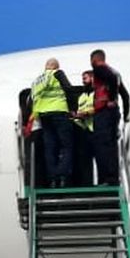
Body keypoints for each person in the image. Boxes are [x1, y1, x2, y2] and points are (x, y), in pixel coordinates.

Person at [89, 49, 130, 187]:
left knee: (100, 146)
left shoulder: (100, 69)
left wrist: (111, 98)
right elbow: (125, 96)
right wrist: (125, 114)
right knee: (111, 146)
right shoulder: (115, 72)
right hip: (114, 113)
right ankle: (113, 178)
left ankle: (104, 179)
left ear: (94, 60)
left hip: (104, 112)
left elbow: (111, 80)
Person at [30, 58, 76, 188]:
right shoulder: (58, 74)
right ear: (56, 67)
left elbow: (33, 98)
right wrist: (73, 109)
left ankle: (52, 179)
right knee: (67, 146)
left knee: (50, 148)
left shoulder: (37, 81)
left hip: (44, 115)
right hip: (59, 112)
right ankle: (61, 175)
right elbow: (69, 90)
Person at [71, 70, 98, 188]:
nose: (83, 81)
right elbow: (80, 111)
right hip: (85, 130)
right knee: (84, 159)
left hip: (96, 129)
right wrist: (75, 116)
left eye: (85, 78)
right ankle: (86, 183)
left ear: (93, 79)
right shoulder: (82, 96)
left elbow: (99, 109)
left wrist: (85, 114)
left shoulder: (97, 93)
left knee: (99, 158)